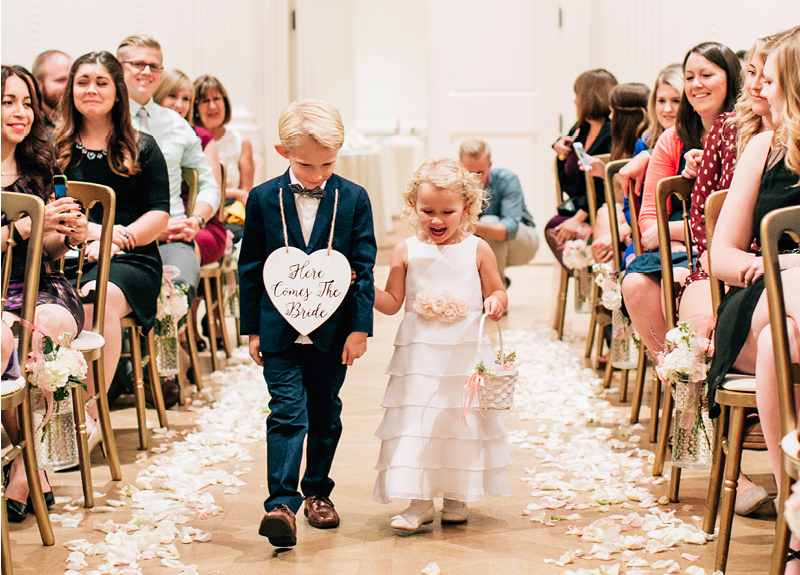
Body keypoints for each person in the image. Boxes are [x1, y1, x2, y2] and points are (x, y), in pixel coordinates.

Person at [238, 99, 376, 547]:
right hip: (278, 330)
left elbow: (364, 265)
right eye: (306, 165)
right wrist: (252, 328)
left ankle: (318, 489)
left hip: (332, 334)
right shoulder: (262, 199)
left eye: (327, 164)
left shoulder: (354, 198)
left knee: (325, 412)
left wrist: (359, 327)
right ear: (282, 152)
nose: (317, 175)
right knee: (286, 413)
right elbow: (251, 265)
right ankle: (281, 504)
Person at [373, 157, 511, 530]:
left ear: (466, 206)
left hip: (464, 352)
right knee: (418, 420)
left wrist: (496, 301)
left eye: (446, 211)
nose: (436, 220)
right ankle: (419, 502)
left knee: (459, 421)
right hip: (419, 357)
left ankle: (457, 494)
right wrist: (364, 289)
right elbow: (391, 303)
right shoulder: (405, 250)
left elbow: (496, 288)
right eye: (427, 210)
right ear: (412, 207)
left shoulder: (477, 249)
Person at [707, 29, 800, 570]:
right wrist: (773, 265)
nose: (763, 87)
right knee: (771, 324)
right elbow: (720, 255)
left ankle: (795, 524)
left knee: (778, 343)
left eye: (775, 79)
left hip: (783, 324)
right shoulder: (764, 148)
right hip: (759, 292)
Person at [53, 52, 171, 423]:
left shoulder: (143, 146)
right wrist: (93, 235)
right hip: (65, 252)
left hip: (130, 259)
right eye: (83, 81)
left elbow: (159, 214)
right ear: (71, 89)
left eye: (102, 82)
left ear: (118, 91)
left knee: (96, 298)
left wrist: (118, 241)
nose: (91, 90)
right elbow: (49, 208)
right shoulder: (51, 147)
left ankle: (87, 415)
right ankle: (49, 410)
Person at [1, 64, 88, 522]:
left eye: (27, 103)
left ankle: (21, 467)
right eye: (8, 102)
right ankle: (30, 467)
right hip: (0, 293)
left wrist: (65, 233)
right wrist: (21, 228)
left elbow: (50, 248)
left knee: (45, 330)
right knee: (6, 339)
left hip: (42, 285)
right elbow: (23, 232)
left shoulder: (42, 165)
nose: (21, 113)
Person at [621, 42, 742, 355]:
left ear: (730, 78)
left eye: (706, 75)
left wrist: (677, 233)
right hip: (675, 247)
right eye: (689, 77)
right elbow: (649, 222)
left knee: (678, 280)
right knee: (634, 284)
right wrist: (677, 239)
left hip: (722, 248)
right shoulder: (672, 138)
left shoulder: (746, 134)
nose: (696, 85)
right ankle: (675, 373)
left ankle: (695, 379)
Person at [117, 34, 219, 300]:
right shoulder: (105, 121)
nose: (147, 71)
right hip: (121, 238)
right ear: (119, 68)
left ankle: (169, 342)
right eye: (138, 64)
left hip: (173, 237)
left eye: (154, 66)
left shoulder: (176, 123)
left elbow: (209, 184)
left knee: (180, 288)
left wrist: (196, 221)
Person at [153, 69, 227, 267]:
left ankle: (179, 296)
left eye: (186, 99)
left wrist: (192, 222)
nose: (180, 105)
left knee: (179, 246)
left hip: (199, 223)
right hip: (153, 223)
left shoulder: (201, 137)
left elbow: (213, 190)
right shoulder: (142, 134)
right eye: (172, 96)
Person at [545, 69, 617, 264]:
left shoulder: (613, 134)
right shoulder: (580, 128)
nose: (575, 101)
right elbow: (569, 170)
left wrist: (578, 218)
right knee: (555, 228)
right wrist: (559, 149)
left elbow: (604, 186)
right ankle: (583, 275)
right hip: (580, 204)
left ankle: (590, 275)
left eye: (578, 96)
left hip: (602, 208)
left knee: (556, 229)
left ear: (588, 98)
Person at [579, 82, 651, 264]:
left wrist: (622, 231)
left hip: (640, 217)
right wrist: (604, 173)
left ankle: (609, 283)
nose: (610, 118)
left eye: (612, 112)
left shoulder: (645, 146)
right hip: (629, 215)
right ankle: (609, 283)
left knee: (605, 215)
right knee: (606, 215)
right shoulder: (621, 149)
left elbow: (637, 197)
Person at [458, 139, 538, 288]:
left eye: (480, 172)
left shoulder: (507, 179)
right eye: (469, 172)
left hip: (521, 242)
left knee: (489, 224)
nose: (475, 179)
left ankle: (495, 290)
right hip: (481, 243)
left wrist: (467, 227)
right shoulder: (453, 185)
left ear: (490, 165)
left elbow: (507, 229)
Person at [192, 75, 254, 210]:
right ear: (195, 108)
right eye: (205, 101)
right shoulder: (190, 141)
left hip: (233, 213)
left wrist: (228, 213)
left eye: (216, 99)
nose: (212, 106)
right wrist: (235, 193)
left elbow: (246, 194)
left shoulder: (241, 143)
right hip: (198, 209)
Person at [31, 50, 72, 133]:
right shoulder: (30, 125)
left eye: (72, 79)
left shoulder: (82, 120)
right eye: (61, 80)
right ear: (37, 84)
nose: (69, 87)